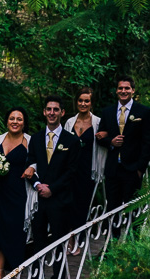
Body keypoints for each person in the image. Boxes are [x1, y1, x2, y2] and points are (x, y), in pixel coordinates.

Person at [22, 95, 80, 279]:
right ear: (44, 112)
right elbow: (30, 164)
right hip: (39, 201)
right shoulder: (36, 139)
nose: (52, 113)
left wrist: (52, 189)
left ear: (62, 113)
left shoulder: (71, 141)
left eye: (56, 109)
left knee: (58, 243)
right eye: (49, 109)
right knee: (37, 245)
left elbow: (72, 172)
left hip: (60, 200)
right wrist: (37, 185)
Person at [96, 76, 150, 237]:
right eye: (120, 88)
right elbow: (100, 137)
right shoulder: (107, 112)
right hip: (113, 169)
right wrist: (111, 142)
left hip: (132, 169)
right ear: (116, 91)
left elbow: (148, 142)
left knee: (133, 208)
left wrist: (140, 168)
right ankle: (112, 244)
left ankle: (133, 244)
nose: (123, 91)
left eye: (127, 88)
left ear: (133, 91)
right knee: (112, 209)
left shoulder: (143, 112)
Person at [0, 107, 33, 279]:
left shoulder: (29, 141)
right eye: (12, 118)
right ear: (6, 121)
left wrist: (32, 167)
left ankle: (16, 278)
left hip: (19, 195)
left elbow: (37, 162)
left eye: (19, 119)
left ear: (24, 122)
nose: (15, 122)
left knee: (16, 236)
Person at [64, 87, 107, 253]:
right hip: (70, 170)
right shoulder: (69, 123)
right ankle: (69, 240)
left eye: (86, 101)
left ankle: (79, 241)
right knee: (68, 205)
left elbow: (103, 145)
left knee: (83, 207)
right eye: (80, 100)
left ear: (91, 103)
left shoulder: (97, 122)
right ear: (76, 102)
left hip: (87, 170)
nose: (83, 103)